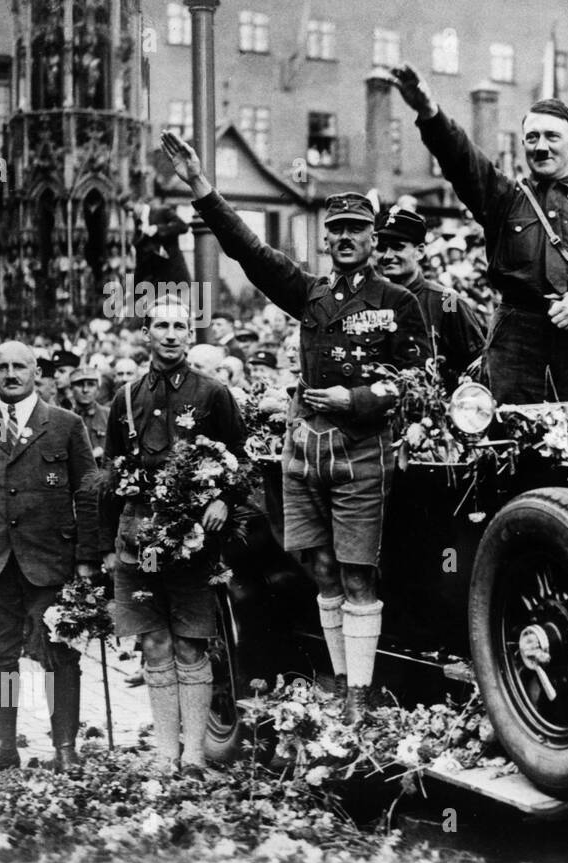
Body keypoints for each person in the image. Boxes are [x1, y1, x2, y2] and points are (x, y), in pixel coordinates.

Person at [161, 129, 431, 722]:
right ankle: (340, 681)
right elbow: (250, 253)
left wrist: (355, 397)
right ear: (325, 236)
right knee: (321, 568)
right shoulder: (310, 293)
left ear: (372, 234)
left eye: (355, 229)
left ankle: (359, 695)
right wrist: (203, 190)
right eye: (334, 230)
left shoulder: (399, 300)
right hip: (306, 453)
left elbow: (416, 382)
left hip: (362, 451)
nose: (344, 239)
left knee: (359, 571)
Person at [387, 63, 568, 403]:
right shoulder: (503, 199)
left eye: (552, 137)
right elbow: (461, 159)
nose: (541, 147)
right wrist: (428, 111)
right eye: (532, 137)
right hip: (516, 350)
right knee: (510, 444)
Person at [100, 298, 247, 775]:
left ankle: (194, 755)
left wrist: (224, 498)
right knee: (155, 644)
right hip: (139, 539)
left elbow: (241, 459)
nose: (169, 334)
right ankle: (166, 753)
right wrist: (106, 547)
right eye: (160, 325)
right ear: (146, 334)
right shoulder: (125, 398)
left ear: (190, 335)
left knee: (191, 644)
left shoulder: (213, 393)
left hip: (193, 539)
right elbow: (111, 475)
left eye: (179, 326)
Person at [0, 341, 99, 778]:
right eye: (2, 367)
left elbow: (87, 493)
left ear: (36, 372)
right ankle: (2, 746)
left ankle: (66, 747)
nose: (11, 374)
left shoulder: (65, 425)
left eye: (20, 366)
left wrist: (87, 559)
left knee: (59, 654)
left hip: (50, 560)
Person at [374, 206, 487, 394]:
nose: (387, 255)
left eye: (397, 247)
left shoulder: (446, 300)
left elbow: (477, 363)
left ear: (419, 251)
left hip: (431, 412)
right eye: (381, 247)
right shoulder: (371, 300)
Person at [69, 365, 110, 463]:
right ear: (71, 389)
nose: (85, 390)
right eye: (79, 385)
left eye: (91, 384)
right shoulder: (64, 418)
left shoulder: (109, 415)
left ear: (98, 389)